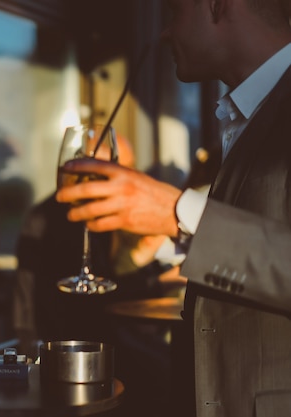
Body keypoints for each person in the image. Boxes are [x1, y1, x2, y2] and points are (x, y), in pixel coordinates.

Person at [55, 1, 291, 416]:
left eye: (173, 11)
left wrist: (178, 212)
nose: (164, 33)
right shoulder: (246, 113)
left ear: (217, 6)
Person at [12, 132, 180, 416]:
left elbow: (112, 278)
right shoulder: (54, 220)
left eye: (128, 168)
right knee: (168, 375)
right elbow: (87, 303)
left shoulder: (107, 215)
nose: (125, 178)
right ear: (81, 167)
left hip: (102, 337)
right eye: (114, 170)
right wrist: (159, 280)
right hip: (72, 349)